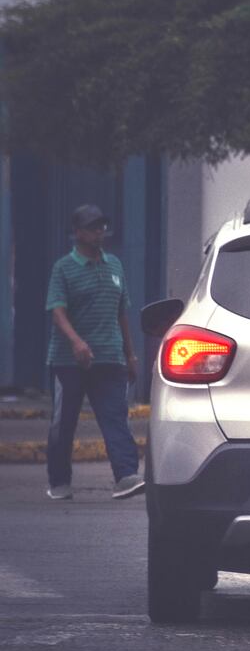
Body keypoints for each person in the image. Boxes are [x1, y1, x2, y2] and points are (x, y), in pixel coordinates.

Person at [43, 204, 145, 501]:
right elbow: (57, 311)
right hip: (69, 361)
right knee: (64, 423)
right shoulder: (63, 268)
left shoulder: (115, 265)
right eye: (92, 227)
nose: (99, 231)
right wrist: (77, 342)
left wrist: (130, 355)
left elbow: (122, 313)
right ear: (77, 233)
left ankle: (126, 476)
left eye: (101, 226)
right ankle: (59, 481)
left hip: (110, 357)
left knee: (116, 418)